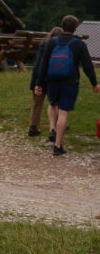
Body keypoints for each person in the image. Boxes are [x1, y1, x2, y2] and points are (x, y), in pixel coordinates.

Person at [33, 15, 99, 156]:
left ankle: (52, 128)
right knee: (63, 112)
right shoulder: (79, 44)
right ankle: (57, 145)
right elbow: (87, 66)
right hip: (70, 82)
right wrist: (94, 83)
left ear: (62, 26)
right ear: (75, 28)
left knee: (52, 104)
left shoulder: (52, 42)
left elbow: (44, 64)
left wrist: (39, 83)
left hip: (52, 81)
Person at [27, 27, 62, 137]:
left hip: (38, 78)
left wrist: (37, 81)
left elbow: (38, 64)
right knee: (54, 104)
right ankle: (56, 127)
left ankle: (33, 127)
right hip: (52, 79)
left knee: (37, 104)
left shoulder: (43, 46)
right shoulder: (60, 49)